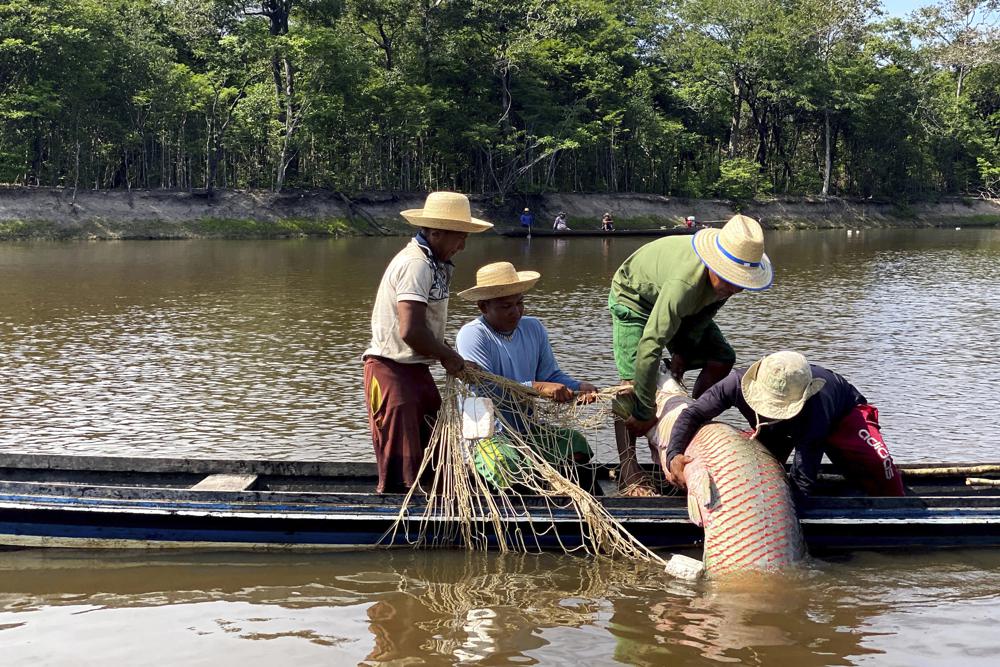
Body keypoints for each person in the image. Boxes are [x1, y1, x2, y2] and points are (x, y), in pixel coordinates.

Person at [608, 214, 773, 495]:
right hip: (635, 298)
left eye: (740, 282)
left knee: (722, 357)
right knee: (633, 386)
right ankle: (628, 469)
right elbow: (651, 343)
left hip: (687, 308)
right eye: (729, 279)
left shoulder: (723, 285)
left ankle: (689, 422)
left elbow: (704, 312)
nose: (734, 288)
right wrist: (646, 411)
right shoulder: (684, 285)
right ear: (714, 264)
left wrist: (682, 354)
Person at [363, 191, 493, 493]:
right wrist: (448, 356)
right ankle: (401, 516)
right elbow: (410, 331)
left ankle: (438, 503)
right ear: (435, 232)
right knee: (404, 461)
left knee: (436, 449)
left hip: (414, 368)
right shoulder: (416, 264)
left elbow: (425, 328)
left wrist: (451, 355)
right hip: (392, 370)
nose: (462, 246)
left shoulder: (433, 264)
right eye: (459, 237)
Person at [663, 351, 905, 499]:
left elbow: (803, 482)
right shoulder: (734, 383)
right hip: (775, 429)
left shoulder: (815, 410)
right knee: (752, 473)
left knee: (879, 466)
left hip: (844, 415)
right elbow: (692, 414)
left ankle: (901, 508)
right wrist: (674, 455)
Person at [455, 262, 600, 490]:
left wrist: (579, 386)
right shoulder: (472, 335)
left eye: (520, 303)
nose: (516, 311)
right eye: (506, 306)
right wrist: (537, 388)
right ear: (483, 307)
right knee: (506, 462)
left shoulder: (533, 328)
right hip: (488, 433)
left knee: (575, 444)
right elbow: (487, 388)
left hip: (527, 428)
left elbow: (550, 375)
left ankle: (568, 495)